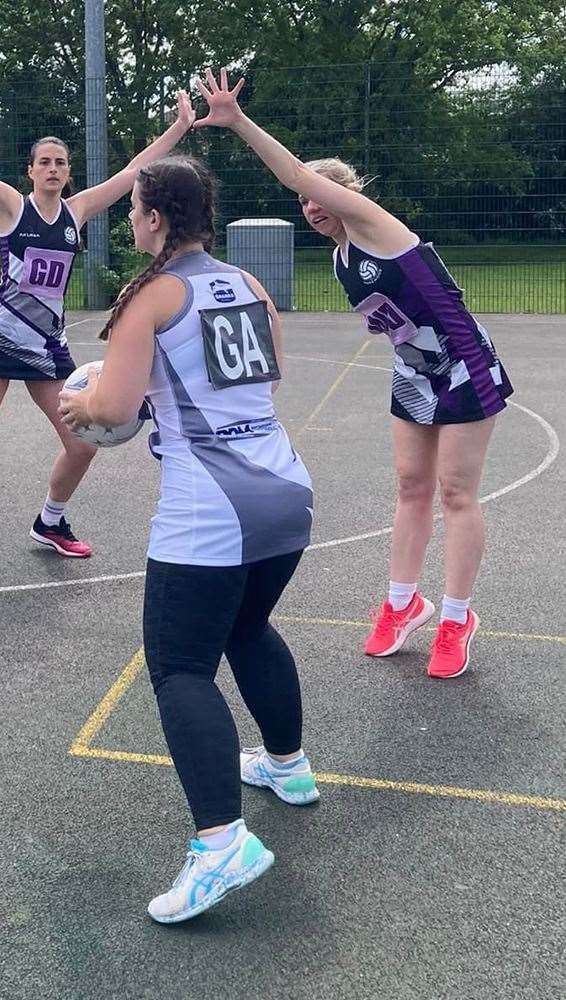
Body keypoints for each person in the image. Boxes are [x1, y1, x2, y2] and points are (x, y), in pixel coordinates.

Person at [59, 156, 318, 923]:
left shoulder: (150, 296)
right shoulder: (248, 284)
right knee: (247, 625)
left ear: (155, 218)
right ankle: (288, 766)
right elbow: (263, 381)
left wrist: (78, 405)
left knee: (178, 669)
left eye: (134, 209)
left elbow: (110, 407)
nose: (130, 221)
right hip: (284, 487)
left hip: (213, 504)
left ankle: (220, 843)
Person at [194, 68, 513, 679]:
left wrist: (236, 122)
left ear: (348, 194)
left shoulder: (372, 224)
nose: (311, 205)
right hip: (414, 370)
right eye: (305, 201)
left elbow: (294, 172)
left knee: (456, 492)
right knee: (411, 486)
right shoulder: (342, 255)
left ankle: (456, 616)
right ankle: (402, 604)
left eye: (320, 194)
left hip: (463, 363)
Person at [0, 62, 198, 580]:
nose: (53, 169)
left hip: (45, 346)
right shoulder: (12, 207)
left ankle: (50, 522)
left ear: (67, 172)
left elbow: (134, 173)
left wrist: (179, 128)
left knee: (83, 442)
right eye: (44, 162)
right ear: (31, 171)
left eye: (60, 162)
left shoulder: (77, 211)